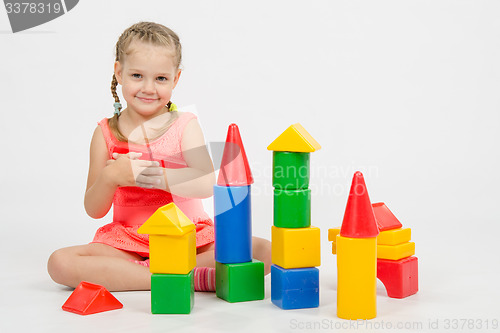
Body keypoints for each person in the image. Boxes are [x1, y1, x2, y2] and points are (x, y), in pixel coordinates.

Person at [47, 22, 271, 292]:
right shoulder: (105, 133)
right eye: (137, 76)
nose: (149, 88)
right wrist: (111, 177)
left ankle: (148, 273)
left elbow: (204, 183)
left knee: (263, 250)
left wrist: (154, 176)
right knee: (59, 262)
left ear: (175, 79)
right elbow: (93, 209)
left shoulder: (184, 125)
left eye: (161, 78)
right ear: (119, 73)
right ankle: (176, 277)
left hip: (188, 237)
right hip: (128, 242)